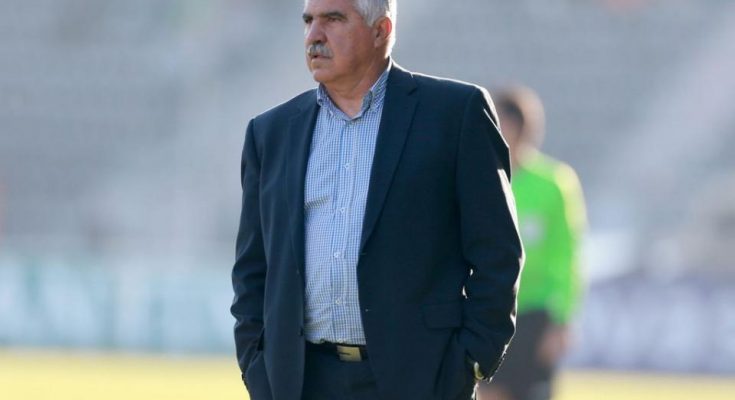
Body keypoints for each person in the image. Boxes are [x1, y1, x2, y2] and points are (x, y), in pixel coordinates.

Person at [230, 1, 523, 399]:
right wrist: (256, 366)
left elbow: (498, 253)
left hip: (420, 381)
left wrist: (470, 361)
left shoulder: (455, 114)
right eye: (309, 21)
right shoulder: (271, 133)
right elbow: (253, 269)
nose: (314, 36)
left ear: (381, 30)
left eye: (334, 19)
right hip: (301, 383)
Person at [477, 86, 587, 400]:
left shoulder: (554, 184)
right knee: (489, 393)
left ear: (519, 128)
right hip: (491, 309)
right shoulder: (479, 180)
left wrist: (562, 321)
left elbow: (569, 254)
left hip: (535, 315)